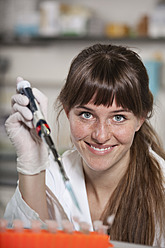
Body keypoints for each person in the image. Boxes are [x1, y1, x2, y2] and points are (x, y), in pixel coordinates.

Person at [4, 44, 165, 247]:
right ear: (68, 111)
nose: (100, 135)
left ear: (140, 119)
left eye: (118, 117)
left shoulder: (162, 188)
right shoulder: (49, 180)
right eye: (86, 115)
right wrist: (31, 166)